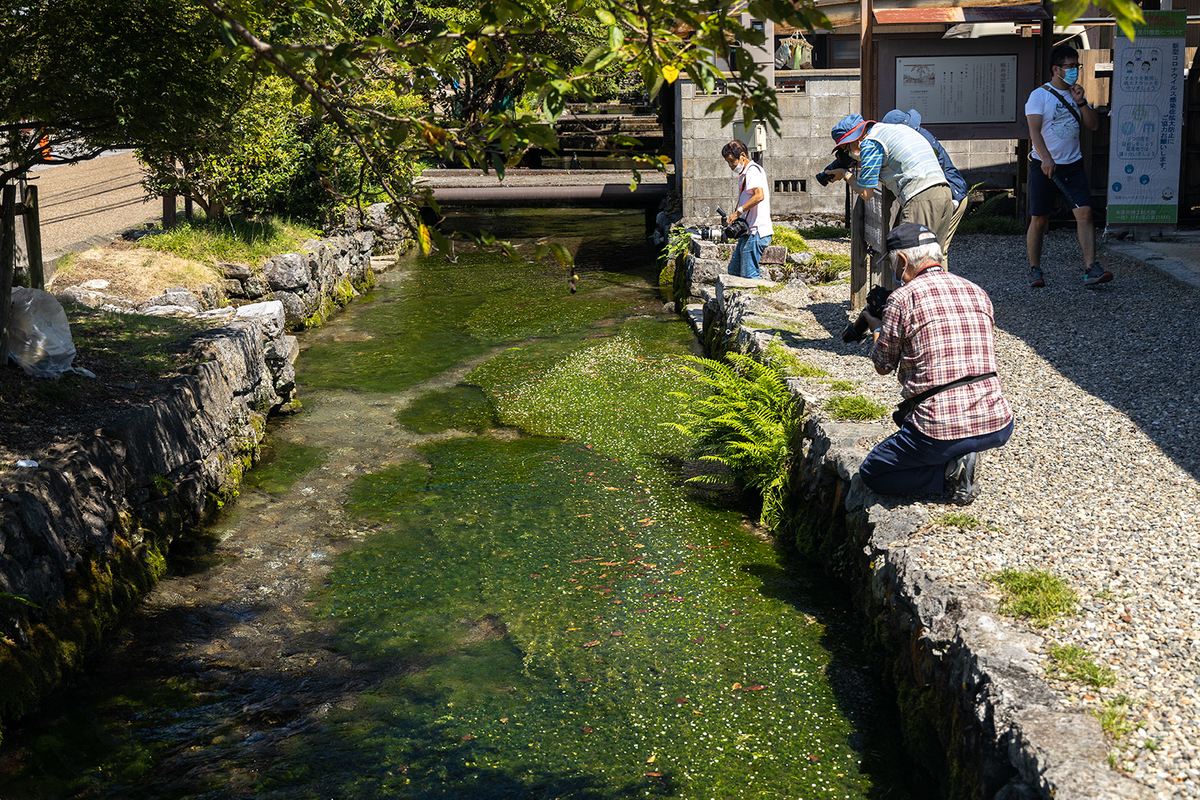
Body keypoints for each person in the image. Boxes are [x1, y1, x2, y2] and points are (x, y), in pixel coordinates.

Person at [858, 223, 1014, 505]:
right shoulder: (977, 291)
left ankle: (948, 475)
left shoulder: (902, 299)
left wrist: (877, 328)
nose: (895, 272)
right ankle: (961, 455)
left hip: (938, 427)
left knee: (873, 472)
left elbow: (882, 365)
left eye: (894, 264)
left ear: (903, 261)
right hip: (997, 422)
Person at [1025, 43, 1111, 288]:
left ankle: (1091, 268)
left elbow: (1093, 125)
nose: (1074, 70)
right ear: (1056, 69)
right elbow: (1033, 130)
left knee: (1084, 213)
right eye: (1070, 66)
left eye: (1077, 66)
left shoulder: (1076, 94)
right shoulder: (1039, 95)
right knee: (1039, 219)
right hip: (1044, 166)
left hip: (1073, 164)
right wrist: (1046, 158)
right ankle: (1035, 269)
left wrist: (1081, 101)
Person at [823, 114, 955, 260]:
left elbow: (866, 193)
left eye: (845, 148)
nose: (847, 153)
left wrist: (846, 174)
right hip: (944, 193)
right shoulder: (890, 130)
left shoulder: (870, 143)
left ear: (856, 139)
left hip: (921, 198)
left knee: (909, 258)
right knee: (934, 259)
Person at [880, 108, 969, 258]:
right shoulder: (919, 135)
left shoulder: (920, 140)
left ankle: (936, 281)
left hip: (953, 195)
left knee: (935, 252)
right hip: (950, 192)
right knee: (933, 251)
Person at [721, 140, 773, 279]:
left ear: (742, 155)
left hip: (756, 232)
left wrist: (738, 212)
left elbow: (759, 196)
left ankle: (753, 299)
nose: (731, 166)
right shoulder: (745, 173)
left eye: (732, 161)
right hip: (748, 231)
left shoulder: (753, 171)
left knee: (749, 276)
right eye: (728, 163)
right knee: (734, 270)